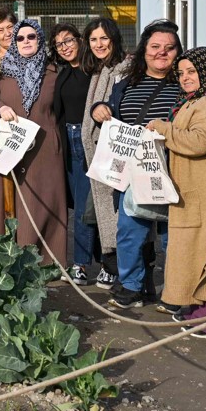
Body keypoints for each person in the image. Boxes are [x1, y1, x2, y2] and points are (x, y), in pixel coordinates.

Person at [92, 19, 184, 310]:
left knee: (175, 236)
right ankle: (132, 285)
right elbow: (109, 108)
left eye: (169, 49)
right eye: (155, 47)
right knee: (131, 230)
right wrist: (99, 109)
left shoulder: (185, 85)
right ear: (144, 50)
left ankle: (177, 289)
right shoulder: (126, 84)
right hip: (134, 167)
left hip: (173, 169)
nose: (162, 53)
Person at [144, 47, 206, 338]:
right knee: (194, 254)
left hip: (205, 194)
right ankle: (198, 311)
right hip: (193, 191)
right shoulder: (193, 101)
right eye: (181, 73)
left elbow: (200, 142)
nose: (184, 78)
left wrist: (165, 129)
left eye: (191, 72)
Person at [0, 19, 68, 264]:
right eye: (20, 38)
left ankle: (47, 259)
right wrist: (0, 107)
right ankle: (9, 255)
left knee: (46, 200)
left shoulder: (53, 71)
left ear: (39, 40)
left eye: (31, 37)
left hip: (45, 145)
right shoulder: (0, 71)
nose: (25, 42)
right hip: (13, 144)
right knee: (11, 199)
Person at [80, 17, 128, 289]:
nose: (99, 44)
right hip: (98, 151)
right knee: (99, 212)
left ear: (114, 39)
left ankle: (127, 275)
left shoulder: (123, 68)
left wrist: (102, 107)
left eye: (104, 39)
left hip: (116, 151)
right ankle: (116, 270)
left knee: (121, 214)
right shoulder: (99, 70)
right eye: (94, 39)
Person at [49, 22, 93, 285]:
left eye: (68, 40)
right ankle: (81, 262)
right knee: (77, 205)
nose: (64, 47)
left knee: (87, 207)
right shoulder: (62, 74)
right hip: (69, 140)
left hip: (90, 141)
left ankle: (82, 264)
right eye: (59, 44)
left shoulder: (95, 71)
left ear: (80, 40)